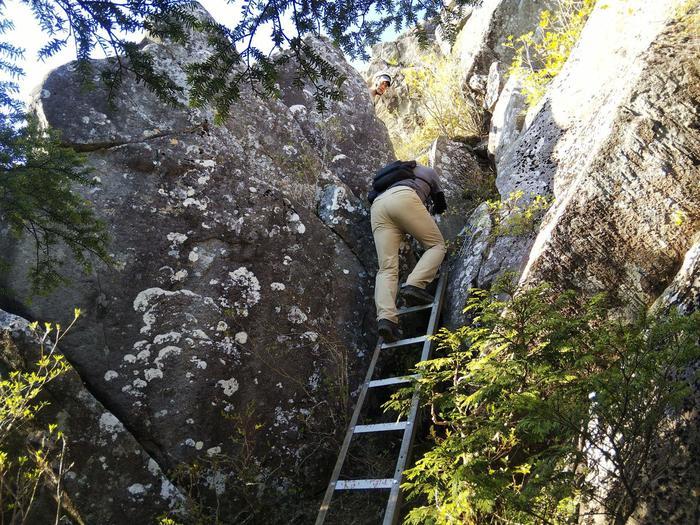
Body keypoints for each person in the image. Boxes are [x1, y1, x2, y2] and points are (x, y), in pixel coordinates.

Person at [371, 163, 447, 342]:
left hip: (378, 207)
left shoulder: (390, 178)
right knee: (436, 245)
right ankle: (414, 285)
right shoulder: (428, 172)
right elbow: (441, 205)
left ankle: (386, 319)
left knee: (386, 268)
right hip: (404, 198)